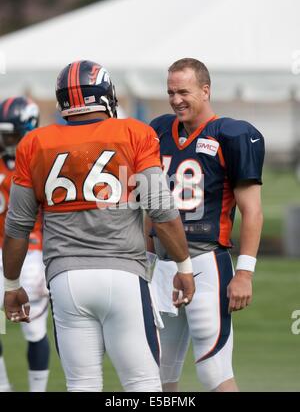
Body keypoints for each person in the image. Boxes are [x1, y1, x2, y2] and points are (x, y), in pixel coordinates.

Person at [2, 60, 195, 392]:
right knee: (144, 387)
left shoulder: (35, 143)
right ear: (106, 95)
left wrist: (11, 285)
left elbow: (17, 227)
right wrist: (184, 266)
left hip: (65, 279)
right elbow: (161, 211)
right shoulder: (134, 132)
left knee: (82, 385)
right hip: (123, 273)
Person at [146, 58, 264, 392]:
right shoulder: (157, 130)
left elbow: (252, 211)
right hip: (164, 268)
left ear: (206, 90)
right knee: (157, 374)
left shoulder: (232, 134)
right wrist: (147, 258)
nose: (175, 99)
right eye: (170, 91)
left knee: (214, 371)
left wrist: (244, 272)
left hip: (206, 263)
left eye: (183, 91)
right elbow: (150, 203)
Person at [0, 96, 50, 392]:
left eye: (10, 133)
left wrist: (47, 258)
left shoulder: (39, 161)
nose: (5, 139)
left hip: (31, 252)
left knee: (34, 329)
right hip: (14, 249)